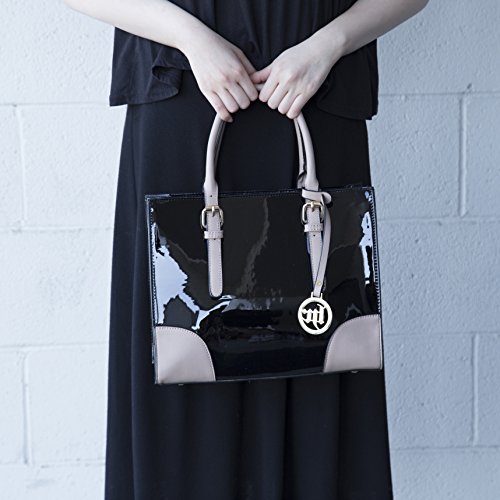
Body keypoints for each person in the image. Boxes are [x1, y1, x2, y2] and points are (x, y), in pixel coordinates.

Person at [63, 1, 430, 499]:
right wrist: (191, 40)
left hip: (314, 93)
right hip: (185, 99)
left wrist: (328, 45)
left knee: (320, 348)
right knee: (181, 349)